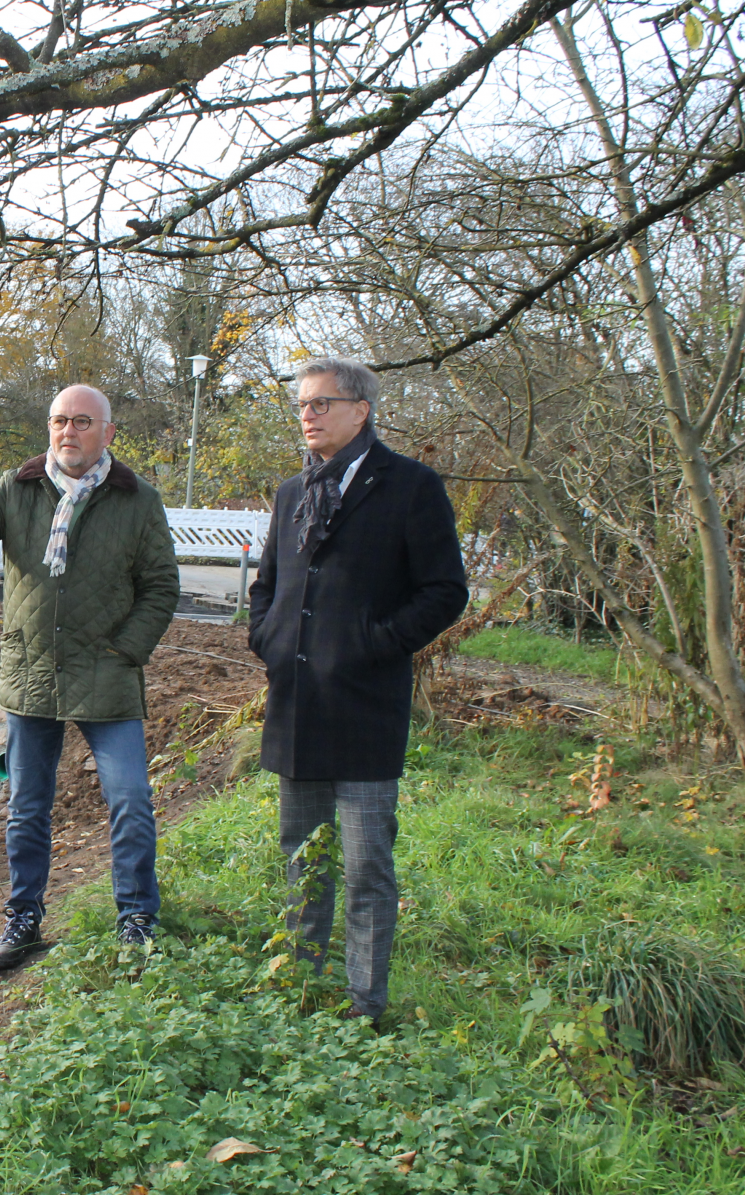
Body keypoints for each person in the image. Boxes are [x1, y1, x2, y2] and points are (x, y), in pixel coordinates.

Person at [0, 384, 181, 971]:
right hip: (34, 671)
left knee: (130, 799)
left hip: (107, 673)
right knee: (28, 806)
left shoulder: (136, 500)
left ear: (106, 432)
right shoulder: (21, 487)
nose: (68, 431)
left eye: (81, 421)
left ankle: (136, 921)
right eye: (58, 421)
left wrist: (126, 650)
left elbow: (161, 588)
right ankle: (23, 919)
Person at [247, 357, 468, 1021]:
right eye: (302, 407)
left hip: (367, 710)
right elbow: (268, 586)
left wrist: (374, 644)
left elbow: (445, 592)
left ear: (360, 410)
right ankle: (302, 989)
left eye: (321, 404)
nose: (307, 416)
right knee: (301, 859)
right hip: (297, 706)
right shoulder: (294, 493)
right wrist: (271, 638)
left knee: (366, 867)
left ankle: (364, 1006)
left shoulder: (410, 487)